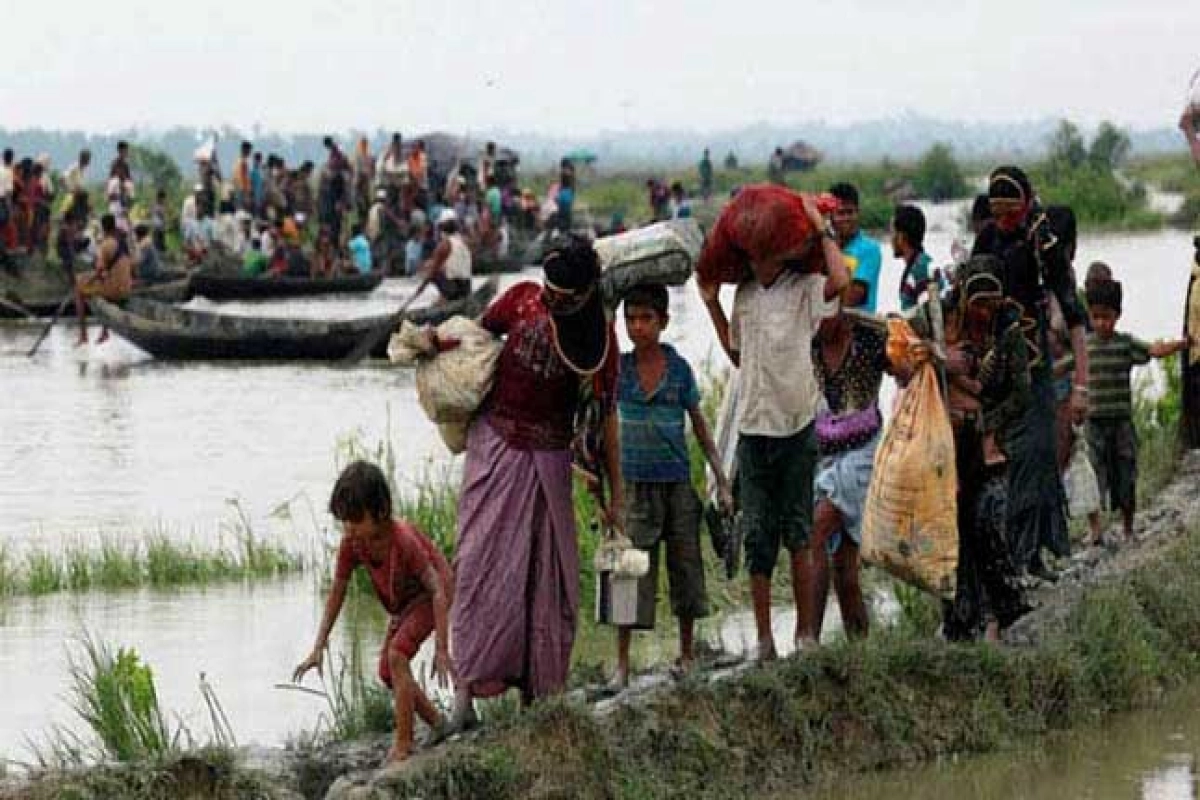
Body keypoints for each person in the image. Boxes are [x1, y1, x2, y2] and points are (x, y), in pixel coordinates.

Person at [448, 235, 621, 731]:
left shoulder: (600, 343)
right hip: (495, 449)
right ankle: (465, 694)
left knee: (546, 581)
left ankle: (538, 697)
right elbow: (477, 342)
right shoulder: (520, 298)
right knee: (480, 567)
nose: (551, 302)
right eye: (550, 291)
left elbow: (605, 419)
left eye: (564, 297)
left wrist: (616, 497)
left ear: (587, 294)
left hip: (549, 460)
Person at [699, 192, 850, 660]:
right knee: (759, 538)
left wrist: (820, 228)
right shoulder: (744, 296)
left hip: (797, 426)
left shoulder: (805, 287)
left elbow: (841, 280)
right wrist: (711, 304)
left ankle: (805, 635)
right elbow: (737, 355)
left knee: (799, 534)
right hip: (753, 428)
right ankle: (764, 640)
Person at [610, 284, 733, 688]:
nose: (637, 326)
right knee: (629, 575)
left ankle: (686, 653)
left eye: (646, 318)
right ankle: (623, 663)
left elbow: (699, 427)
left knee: (686, 568)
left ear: (664, 322)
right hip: (635, 486)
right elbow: (598, 426)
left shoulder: (678, 370)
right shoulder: (618, 371)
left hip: (677, 485)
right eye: (630, 318)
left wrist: (720, 477)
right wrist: (604, 490)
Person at [293, 461, 453, 765]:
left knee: (397, 656)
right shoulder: (352, 544)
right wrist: (319, 646)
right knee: (387, 672)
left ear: (380, 513)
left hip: (433, 593)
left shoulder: (403, 540)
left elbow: (436, 589)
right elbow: (337, 591)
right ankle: (439, 723)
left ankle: (403, 745)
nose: (348, 529)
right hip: (404, 601)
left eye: (354, 520)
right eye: (344, 522)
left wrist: (442, 649)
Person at [972, 166, 1089, 578]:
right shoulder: (986, 240)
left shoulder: (1043, 244)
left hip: (1034, 370)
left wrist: (1081, 386)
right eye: (997, 213)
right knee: (1002, 461)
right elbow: (971, 296)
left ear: (1023, 207)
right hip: (995, 370)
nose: (1004, 222)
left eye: (1010, 213)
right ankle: (1009, 557)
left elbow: (1074, 315)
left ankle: (1031, 553)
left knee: (1037, 456)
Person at [911, 255, 1032, 641]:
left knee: (985, 521)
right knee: (950, 529)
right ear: (962, 296)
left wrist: (987, 424)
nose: (982, 312)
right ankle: (961, 621)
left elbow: (1020, 394)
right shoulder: (934, 319)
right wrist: (938, 358)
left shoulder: (1008, 331)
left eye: (989, 304)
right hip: (944, 442)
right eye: (976, 303)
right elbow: (900, 345)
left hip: (990, 445)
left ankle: (1006, 609)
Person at [795, 289, 888, 646]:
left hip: (863, 454)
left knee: (816, 531)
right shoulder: (811, 344)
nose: (819, 320)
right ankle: (861, 654)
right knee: (844, 572)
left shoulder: (869, 339)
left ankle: (808, 640)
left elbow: (904, 369)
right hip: (827, 454)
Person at [1083, 279, 1190, 545]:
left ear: (1117, 316)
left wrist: (1181, 344)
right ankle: (1095, 529)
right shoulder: (1084, 347)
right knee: (1093, 476)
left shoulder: (1125, 344)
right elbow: (1065, 366)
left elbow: (1153, 350)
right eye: (1095, 317)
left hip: (1121, 423)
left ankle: (1129, 528)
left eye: (1106, 318)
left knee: (1126, 474)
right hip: (1094, 424)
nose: (1101, 324)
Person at [74, 214, 133, 345]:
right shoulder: (122, 241)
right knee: (96, 282)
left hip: (115, 289)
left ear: (103, 228)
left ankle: (83, 336)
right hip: (127, 286)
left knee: (79, 290)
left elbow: (99, 270)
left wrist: (86, 283)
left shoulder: (106, 244)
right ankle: (104, 332)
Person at [829, 183, 882, 313]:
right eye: (841, 213)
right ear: (830, 217)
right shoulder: (826, 248)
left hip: (860, 327)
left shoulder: (869, 249)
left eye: (850, 212)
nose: (847, 219)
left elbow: (852, 299)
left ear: (858, 212)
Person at [893, 204, 945, 310]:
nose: (891, 238)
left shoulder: (920, 270)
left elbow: (928, 318)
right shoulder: (918, 265)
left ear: (901, 236)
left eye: (893, 232)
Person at [420, 209, 472, 302]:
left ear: (441, 227)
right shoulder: (465, 241)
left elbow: (432, 272)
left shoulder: (443, 245)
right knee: (441, 267)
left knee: (429, 266)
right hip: (466, 288)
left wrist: (421, 288)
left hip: (453, 290)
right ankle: (443, 298)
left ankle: (445, 298)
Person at [233, 141, 253, 211]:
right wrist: (246, 195)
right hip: (242, 191)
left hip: (238, 189)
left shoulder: (237, 161)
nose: (250, 152)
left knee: (239, 212)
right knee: (242, 212)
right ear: (245, 150)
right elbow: (243, 178)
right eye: (249, 150)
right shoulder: (243, 162)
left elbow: (235, 177)